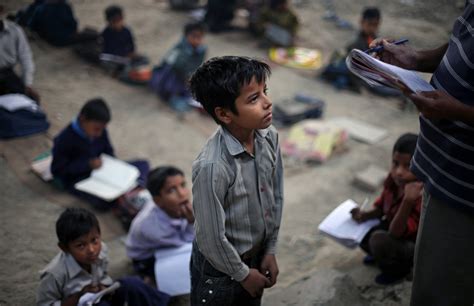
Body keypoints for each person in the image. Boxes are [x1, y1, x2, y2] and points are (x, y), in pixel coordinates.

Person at [369, 2, 474, 304]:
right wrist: (415, 58)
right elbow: (462, 40)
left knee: (440, 293)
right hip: (442, 171)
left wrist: (458, 111)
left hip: (464, 190)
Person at [189, 56, 284, 306]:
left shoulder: (269, 137)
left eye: (265, 91)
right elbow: (210, 238)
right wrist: (242, 274)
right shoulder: (213, 167)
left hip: (256, 256)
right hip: (219, 272)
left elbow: (275, 195)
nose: (268, 102)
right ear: (224, 114)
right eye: (254, 98)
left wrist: (270, 249)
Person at [36, 207, 170, 306]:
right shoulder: (54, 274)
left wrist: (104, 288)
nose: (92, 250)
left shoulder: (102, 250)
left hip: (100, 297)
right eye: (80, 245)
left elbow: (104, 276)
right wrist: (78, 296)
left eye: (95, 240)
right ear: (64, 248)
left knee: (131, 283)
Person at [50, 98, 149, 210]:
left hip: (102, 170)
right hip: (81, 179)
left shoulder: (100, 132)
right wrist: (87, 165)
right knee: (103, 202)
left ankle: (128, 190)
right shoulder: (65, 139)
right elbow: (57, 170)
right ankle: (130, 192)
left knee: (143, 164)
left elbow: (108, 150)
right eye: (96, 129)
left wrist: (115, 166)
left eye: (102, 129)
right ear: (82, 119)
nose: (99, 133)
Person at [351, 133, 423, 285]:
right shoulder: (393, 181)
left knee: (378, 239)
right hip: (391, 230)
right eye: (395, 164)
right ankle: (380, 256)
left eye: (407, 166)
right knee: (360, 231)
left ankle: (397, 271)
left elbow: (396, 232)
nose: (399, 172)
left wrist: (407, 201)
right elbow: (381, 208)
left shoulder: (420, 195)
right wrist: (362, 216)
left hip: (409, 245)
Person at [126, 166, 194, 282]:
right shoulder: (152, 226)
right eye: (171, 190)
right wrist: (191, 222)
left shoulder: (173, 206)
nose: (182, 194)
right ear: (158, 200)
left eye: (183, 185)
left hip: (168, 240)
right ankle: (146, 275)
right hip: (146, 257)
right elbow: (185, 244)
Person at [320, 7, 382, 92]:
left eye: (375, 25)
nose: (372, 28)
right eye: (369, 24)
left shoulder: (376, 41)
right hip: (351, 70)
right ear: (362, 22)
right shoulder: (355, 40)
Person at [150, 22, 206, 111]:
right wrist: (186, 78)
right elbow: (173, 66)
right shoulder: (178, 50)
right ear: (186, 36)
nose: (197, 40)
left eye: (199, 37)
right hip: (172, 78)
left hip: (189, 78)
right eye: (194, 37)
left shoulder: (201, 50)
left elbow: (198, 66)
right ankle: (172, 96)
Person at [0, 5, 40, 102]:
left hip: (7, 74)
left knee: (30, 101)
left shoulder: (15, 30)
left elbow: (25, 57)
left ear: (1, 11)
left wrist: (27, 84)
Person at [29, 0, 98, 47]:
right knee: (93, 34)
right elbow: (73, 25)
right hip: (61, 40)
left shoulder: (40, 8)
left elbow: (32, 26)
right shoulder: (64, 7)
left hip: (47, 39)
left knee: (87, 31)